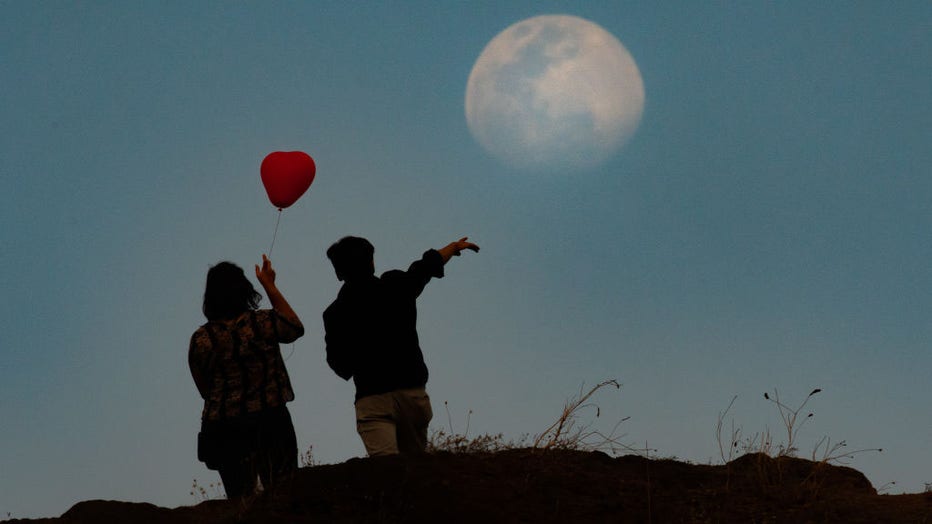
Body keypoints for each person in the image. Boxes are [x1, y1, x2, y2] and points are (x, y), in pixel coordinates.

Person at [323, 236, 480, 457]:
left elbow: (339, 366)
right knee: (415, 471)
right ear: (371, 263)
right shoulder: (396, 285)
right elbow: (424, 267)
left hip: (372, 398)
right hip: (412, 395)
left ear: (339, 273)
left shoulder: (334, 314)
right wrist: (452, 248)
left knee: (388, 474)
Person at [189, 255, 304, 499]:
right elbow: (294, 327)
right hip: (270, 419)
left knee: (240, 500)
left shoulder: (201, 339)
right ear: (243, 290)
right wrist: (270, 285)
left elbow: (204, 388)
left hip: (222, 427)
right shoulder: (262, 322)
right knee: (283, 493)